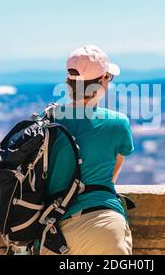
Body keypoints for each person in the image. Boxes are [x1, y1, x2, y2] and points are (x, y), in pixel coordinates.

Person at [41, 45, 134, 255]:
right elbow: (111, 178)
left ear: (69, 83)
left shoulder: (48, 119)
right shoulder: (118, 124)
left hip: (54, 230)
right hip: (104, 225)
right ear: (101, 81)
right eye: (108, 77)